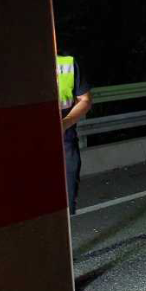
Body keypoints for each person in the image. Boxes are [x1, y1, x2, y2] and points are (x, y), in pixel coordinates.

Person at [58, 52, 92, 215]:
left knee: (66, 204)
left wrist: (65, 123)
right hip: (30, 142)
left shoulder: (68, 62)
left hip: (65, 141)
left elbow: (84, 100)